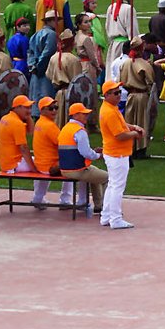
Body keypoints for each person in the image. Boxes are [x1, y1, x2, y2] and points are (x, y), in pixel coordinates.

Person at [98, 81, 144, 228]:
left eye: (119, 91)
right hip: (117, 154)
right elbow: (120, 135)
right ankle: (115, 218)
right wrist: (135, 134)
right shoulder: (109, 111)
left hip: (115, 153)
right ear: (107, 95)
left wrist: (133, 127)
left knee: (112, 185)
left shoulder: (111, 108)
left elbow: (122, 125)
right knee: (117, 186)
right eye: (116, 93)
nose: (119, 95)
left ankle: (106, 216)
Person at [56, 101, 106, 217]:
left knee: (95, 173)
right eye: (83, 114)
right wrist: (99, 155)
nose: (86, 116)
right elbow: (86, 153)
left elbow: (76, 150)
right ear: (75, 115)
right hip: (78, 170)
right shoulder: (79, 131)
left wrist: (93, 151)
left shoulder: (65, 128)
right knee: (108, 178)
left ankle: (99, 206)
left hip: (66, 169)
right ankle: (106, 207)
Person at [0, 93, 35, 175]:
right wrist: (33, 169)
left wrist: (28, 116)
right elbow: (24, 149)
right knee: (45, 165)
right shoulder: (17, 124)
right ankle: (40, 189)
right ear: (17, 108)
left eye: (30, 108)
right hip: (15, 164)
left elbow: (31, 131)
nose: (29, 111)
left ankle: (40, 188)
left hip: (5, 163)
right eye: (26, 108)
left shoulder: (5, 118)